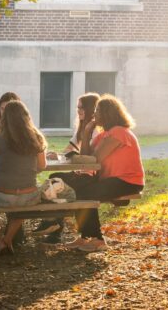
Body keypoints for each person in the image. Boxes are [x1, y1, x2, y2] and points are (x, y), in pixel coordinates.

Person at [67, 95, 145, 253]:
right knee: (78, 190)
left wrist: (86, 152)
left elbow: (94, 159)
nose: (94, 114)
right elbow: (86, 156)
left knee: (86, 193)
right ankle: (85, 236)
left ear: (108, 114)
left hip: (127, 181)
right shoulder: (104, 134)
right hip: (112, 180)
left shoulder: (119, 133)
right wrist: (87, 132)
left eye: (98, 111)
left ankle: (97, 240)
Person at [0, 100, 47, 256]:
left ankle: (0, 242)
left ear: (4, 118)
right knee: (21, 205)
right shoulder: (36, 138)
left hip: (3, 194)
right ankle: (8, 240)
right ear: (26, 116)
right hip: (30, 196)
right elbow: (42, 166)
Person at [34, 92, 100, 242]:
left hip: (90, 175)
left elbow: (92, 158)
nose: (78, 110)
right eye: (77, 107)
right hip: (81, 172)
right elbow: (68, 150)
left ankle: (54, 226)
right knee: (54, 179)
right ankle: (54, 226)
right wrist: (55, 154)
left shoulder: (95, 130)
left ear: (91, 109)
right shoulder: (82, 128)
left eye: (82, 107)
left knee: (57, 183)